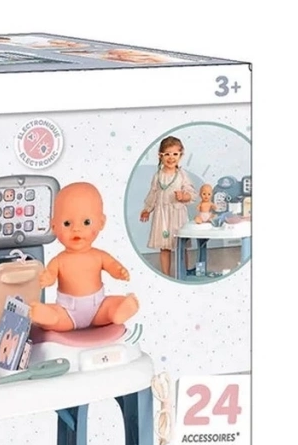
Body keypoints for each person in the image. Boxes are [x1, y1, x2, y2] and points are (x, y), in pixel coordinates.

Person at [30, 181, 139, 331]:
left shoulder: (99, 256)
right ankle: (49, 316)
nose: (76, 229)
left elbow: (111, 265)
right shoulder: (59, 260)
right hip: (67, 311)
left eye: (86, 222)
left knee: (110, 306)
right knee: (58, 318)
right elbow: (51, 274)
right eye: (67, 223)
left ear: (101, 222)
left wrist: (119, 271)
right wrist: (48, 278)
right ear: (53, 226)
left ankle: (121, 309)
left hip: (98, 307)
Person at [140, 136, 196, 277]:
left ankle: (183, 273)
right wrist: (147, 209)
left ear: (181, 155)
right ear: (160, 155)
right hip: (162, 215)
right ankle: (166, 274)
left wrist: (184, 196)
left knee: (181, 246)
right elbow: (153, 193)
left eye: (175, 154)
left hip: (177, 214)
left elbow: (191, 193)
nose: (171, 158)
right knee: (164, 247)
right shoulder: (158, 176)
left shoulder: (182, 175)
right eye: (167, 154)